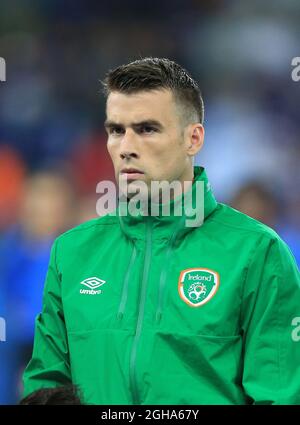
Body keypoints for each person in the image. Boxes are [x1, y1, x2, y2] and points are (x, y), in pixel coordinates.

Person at [22, 57, 300, 405]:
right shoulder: (71, 252)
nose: (126, 147)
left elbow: (280, 396)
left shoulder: (258, 252)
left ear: (193, 139)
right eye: (116, 130)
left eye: (147, 129)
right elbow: (45, 388)